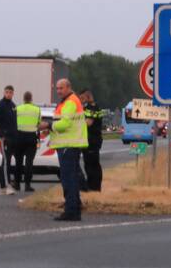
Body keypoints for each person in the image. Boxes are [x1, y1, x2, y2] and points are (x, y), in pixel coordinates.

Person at [49, 78, 88, 221]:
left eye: (61, 88)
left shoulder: (70, 101)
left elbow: (64, 124)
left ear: (68, 87)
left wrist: (49, 126)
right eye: (57, 88)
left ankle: (71, 211)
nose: (58, 91)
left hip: (68, 146)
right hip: (69, 145)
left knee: (68, 180)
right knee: (71, 178)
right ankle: (75, 208)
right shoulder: (68, 101)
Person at [0, 85, 17, 195]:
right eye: (7, 92)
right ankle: (7, 186)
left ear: (13, 93)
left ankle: (2, 187)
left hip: (12, 137)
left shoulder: (13, 106)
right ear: (4, 92)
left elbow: (15, 122)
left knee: (7, 160)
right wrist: (1, 134)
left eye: (10, 92)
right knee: (6, 161)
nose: (8, 94)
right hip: (3, 137)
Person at [13, 91, 42, 192]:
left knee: (18, 162)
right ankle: (27, 185)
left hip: (19, 137)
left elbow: (13, 122)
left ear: (23, 99)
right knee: (29, 162)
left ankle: (17, 184)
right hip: (31, 138)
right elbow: (39, 124)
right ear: (31, 98)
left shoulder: (17, 108)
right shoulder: (37, 109)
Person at [80, 90, 104, 192]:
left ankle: (94, 187)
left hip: (92, 139)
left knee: (92, 164)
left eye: (82, 98)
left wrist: (76, 123)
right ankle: (92, 185)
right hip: (90, 139)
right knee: (89, 163)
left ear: (88, 97)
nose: (81, 100)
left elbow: (88, 123)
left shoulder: (92, 107)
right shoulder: (91, 107)